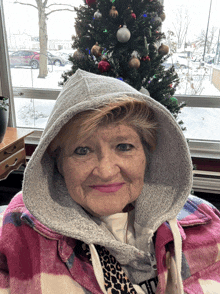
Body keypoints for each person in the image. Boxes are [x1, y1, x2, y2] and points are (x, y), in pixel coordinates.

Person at [0, 69, 220, 294]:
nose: (105, 171)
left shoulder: (205, 217)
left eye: (124, 146)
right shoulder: (19, 234)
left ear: (146, 155)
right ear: (59, 165)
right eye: (82, 150)